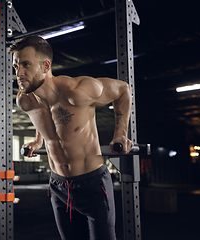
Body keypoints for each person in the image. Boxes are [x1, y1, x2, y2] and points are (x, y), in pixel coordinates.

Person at [9, 35, 133, 240]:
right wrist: (38, 140)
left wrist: (120, 133)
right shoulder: (25, 100)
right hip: (58, 186)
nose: (19, 73)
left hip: (92, 183)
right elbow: (44, 118)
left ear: (45, 65)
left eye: (26, 65)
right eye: (15, 66)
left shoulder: (77, 90)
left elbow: (122, 90)